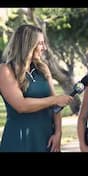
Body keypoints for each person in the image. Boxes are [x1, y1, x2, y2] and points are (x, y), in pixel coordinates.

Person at [0, 24, 73, 152]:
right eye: (40, 43)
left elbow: (56, 106)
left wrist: (58, 133)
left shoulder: (43, 68)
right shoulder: (6, 70)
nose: (44, 48)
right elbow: (20, 105)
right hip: (20, 138)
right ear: (27, 45)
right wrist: (55, 100)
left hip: (46, 137)